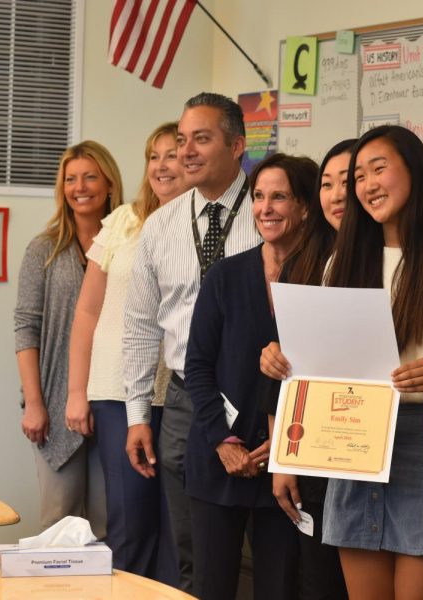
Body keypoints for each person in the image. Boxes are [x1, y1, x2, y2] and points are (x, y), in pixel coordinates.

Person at [265, 125, 423, 599]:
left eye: (378, 169)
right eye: (358, 176)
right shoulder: (341, 261)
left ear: (416, 172)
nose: (366, 185)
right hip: (354, 439)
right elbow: (319, 360)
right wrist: (283, 358)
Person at [123, 93, 261, 592]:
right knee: (192, 552)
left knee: (264, 550)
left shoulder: (269, 211)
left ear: (238, 145)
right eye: (182, 140)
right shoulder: (160, 226)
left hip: (258, 396)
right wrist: (138, 415)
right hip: (185, 401)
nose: (186, 152)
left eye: (201, 138)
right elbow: (140, 325)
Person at [184, 153, 314, 600]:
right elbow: (197, 366)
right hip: (220, 460)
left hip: (288, 465)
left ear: (304, 207)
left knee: (280, 589)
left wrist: (286, 450)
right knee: (213, 588)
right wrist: (223, 441)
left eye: (279, 197)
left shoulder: (322, 277)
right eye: (259, 197)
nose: (265, 208)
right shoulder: (225, 275)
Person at [65, 122, 185, 583]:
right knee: (131, 522)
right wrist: (78, 392)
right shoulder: (124, 222)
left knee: (177, 529)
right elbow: (87, 313)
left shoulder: (204, 227)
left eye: (171, 155)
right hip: (117, 391)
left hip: (176, 395)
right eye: (153, 156)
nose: (161, 165)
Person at [14, 140, 123, 539]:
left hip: (113, 401)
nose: (80, 187)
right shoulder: (43, 249)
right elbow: (26, 327)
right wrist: (35, 403)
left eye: (90, 176)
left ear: (110, 183)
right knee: (59, 528)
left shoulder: (126, 244)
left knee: (109, 524)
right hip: (55, 408)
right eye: (70, 179)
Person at [268, 138, 356, 600]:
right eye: (326, 183)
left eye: (349, 181)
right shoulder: (300, 264)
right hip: (312, 453)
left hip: (366, 453)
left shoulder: (391, 262)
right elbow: (289, 371)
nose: (337, 194)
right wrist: (285, 460)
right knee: (316, 582)